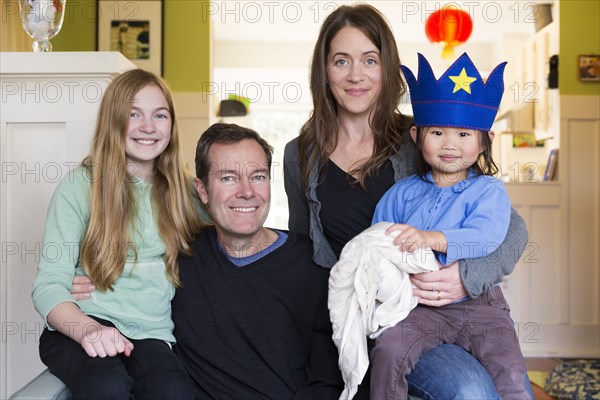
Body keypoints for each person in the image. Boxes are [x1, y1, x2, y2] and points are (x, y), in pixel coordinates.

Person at [283, 4, 530, 399]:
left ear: (387, 68)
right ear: (323, 71)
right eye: (340, 61)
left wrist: (465, 278)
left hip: (428, 307)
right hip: (357, 311)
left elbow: (511, 227)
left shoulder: (424, 135)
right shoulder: (300, 153)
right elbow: (302, 246)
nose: (355, 75)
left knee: (474, 390)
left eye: (370, 60)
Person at [73, 123, 344, 399]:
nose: (247, 191)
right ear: (201, 191)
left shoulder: (314, 267)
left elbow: (327, 383)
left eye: (258, 176)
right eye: (228, 178)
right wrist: (80, 285)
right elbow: (128, 292)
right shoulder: (176, 260)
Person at [365, 52, 530, 399]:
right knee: (390, 349)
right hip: (420, 308)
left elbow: (484, 239)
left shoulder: (488, 191)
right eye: (437, 132)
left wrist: (429, 238)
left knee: (511, 378)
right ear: (416, 135)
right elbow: (377, 241)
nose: (450, 144)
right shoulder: (401, 194)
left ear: (486, 140)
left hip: (482, 306)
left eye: (464, 134)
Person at [32, 69, 204, 399]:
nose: (149, 126)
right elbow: (47, 284)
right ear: (113, 120)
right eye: (133, 114)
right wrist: (88, 330)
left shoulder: (184, 194)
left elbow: (236, 224)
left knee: (174, 390)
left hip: (151, 333)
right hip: (83, 323)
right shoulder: (79, 187)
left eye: (160, 115)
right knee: (106, 385)